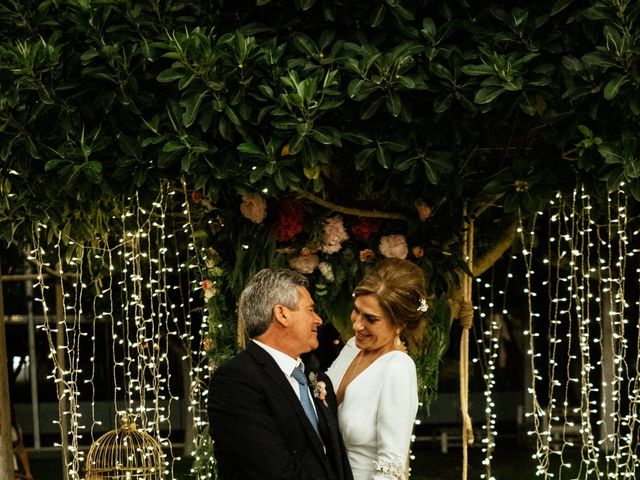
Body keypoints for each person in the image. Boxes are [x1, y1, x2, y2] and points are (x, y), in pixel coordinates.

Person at [208, 268, 353, 480]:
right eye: (310, 310)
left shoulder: (319, 380)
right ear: (282, 314)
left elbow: (337, 462)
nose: (319, 320)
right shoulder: (236, 381)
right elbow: (272, 470)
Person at [327, 258, 427, 480]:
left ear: (399, 323)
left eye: (370, 319)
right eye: (357, 311)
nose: (357, 325)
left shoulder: (398, 369)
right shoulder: (353, 346)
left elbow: (391, 465)